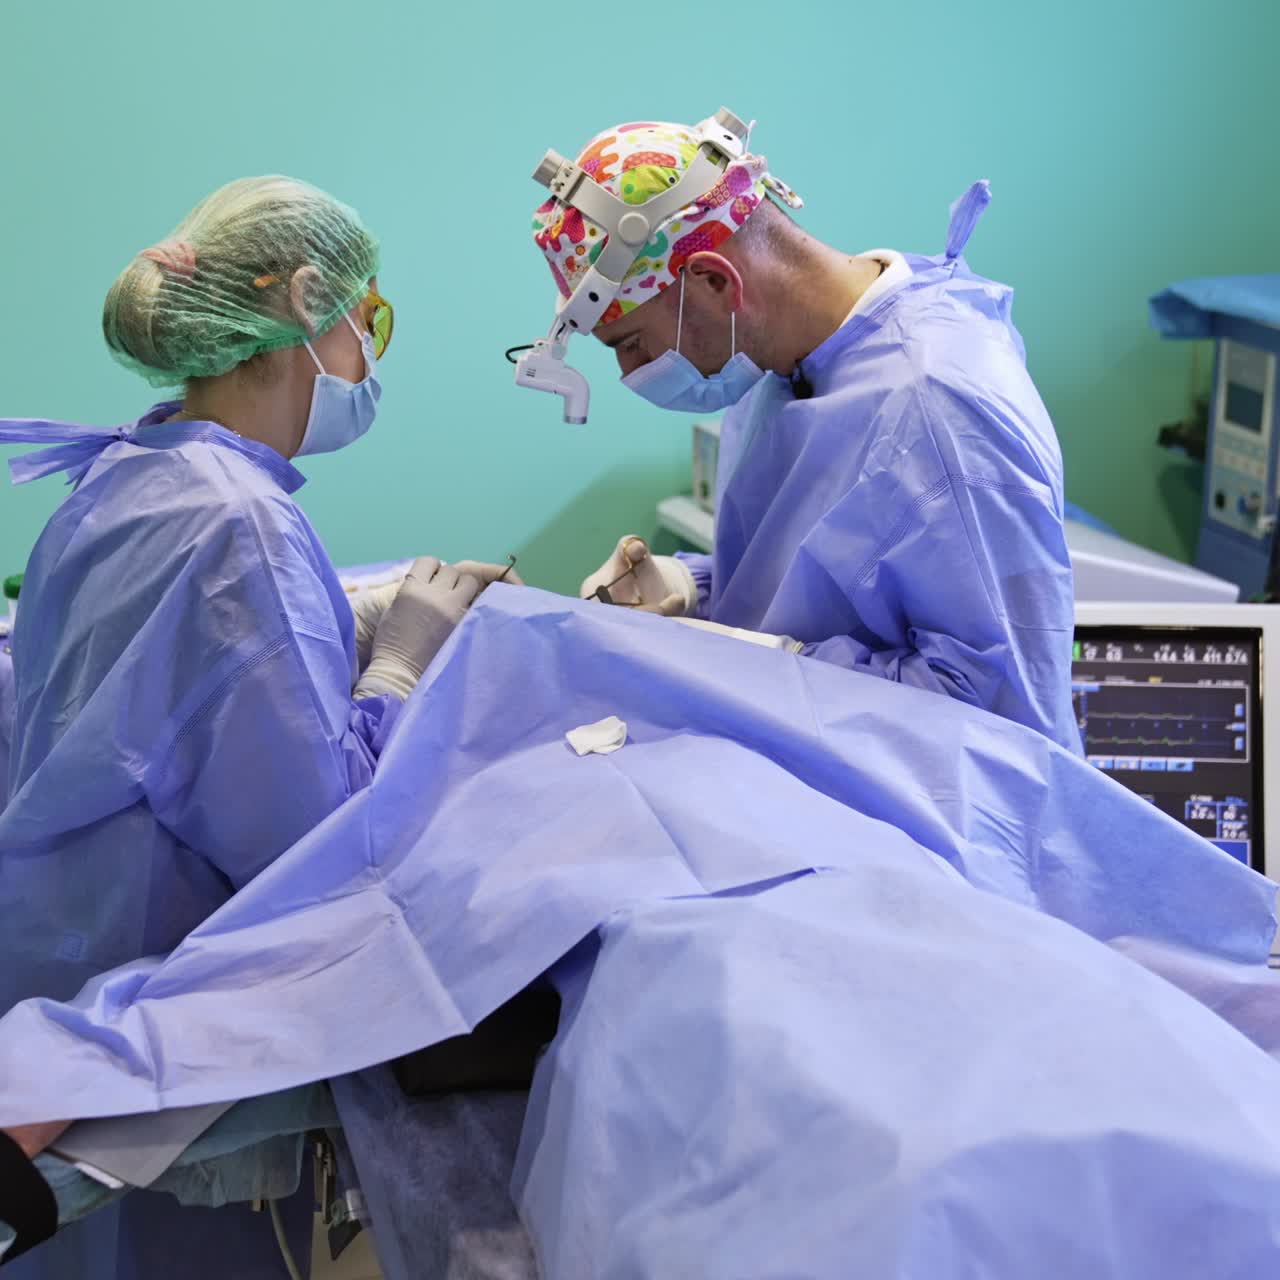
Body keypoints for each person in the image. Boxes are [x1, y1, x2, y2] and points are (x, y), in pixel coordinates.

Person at [0, 175, 515, 1275]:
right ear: (303, 313)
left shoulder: (129, 473)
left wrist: (345, 614)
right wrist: (400, 665)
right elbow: (316, 842)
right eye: (369, 321)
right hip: (163, 1025)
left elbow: (174, 687)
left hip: (56, 966)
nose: (372, 353)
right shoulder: (242, 530)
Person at [527, 115, 1079, 750]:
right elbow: (829, 578)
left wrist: (766, 663)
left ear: (714, 282)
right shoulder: (781, 364)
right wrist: (694, 592)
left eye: (629, 343)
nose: (630, 372)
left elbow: (1001, 722)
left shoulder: (938, 410)